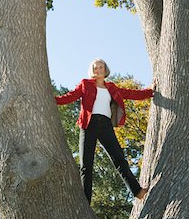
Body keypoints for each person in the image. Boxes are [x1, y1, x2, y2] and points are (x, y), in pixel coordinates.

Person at [55, 59, 154, 204]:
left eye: (101, 67)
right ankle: (85, 203)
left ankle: (137, 191)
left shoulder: (111, 87)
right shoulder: (85, 84)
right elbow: (69, 97)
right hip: (89, 125)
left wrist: (150, 91)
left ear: (105, 69)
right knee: (86, 165)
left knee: (119, 159)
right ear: (92, 70)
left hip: (105, 125)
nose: (98, 70)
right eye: (95, 68)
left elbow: (130, 93)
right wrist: (52, 99)